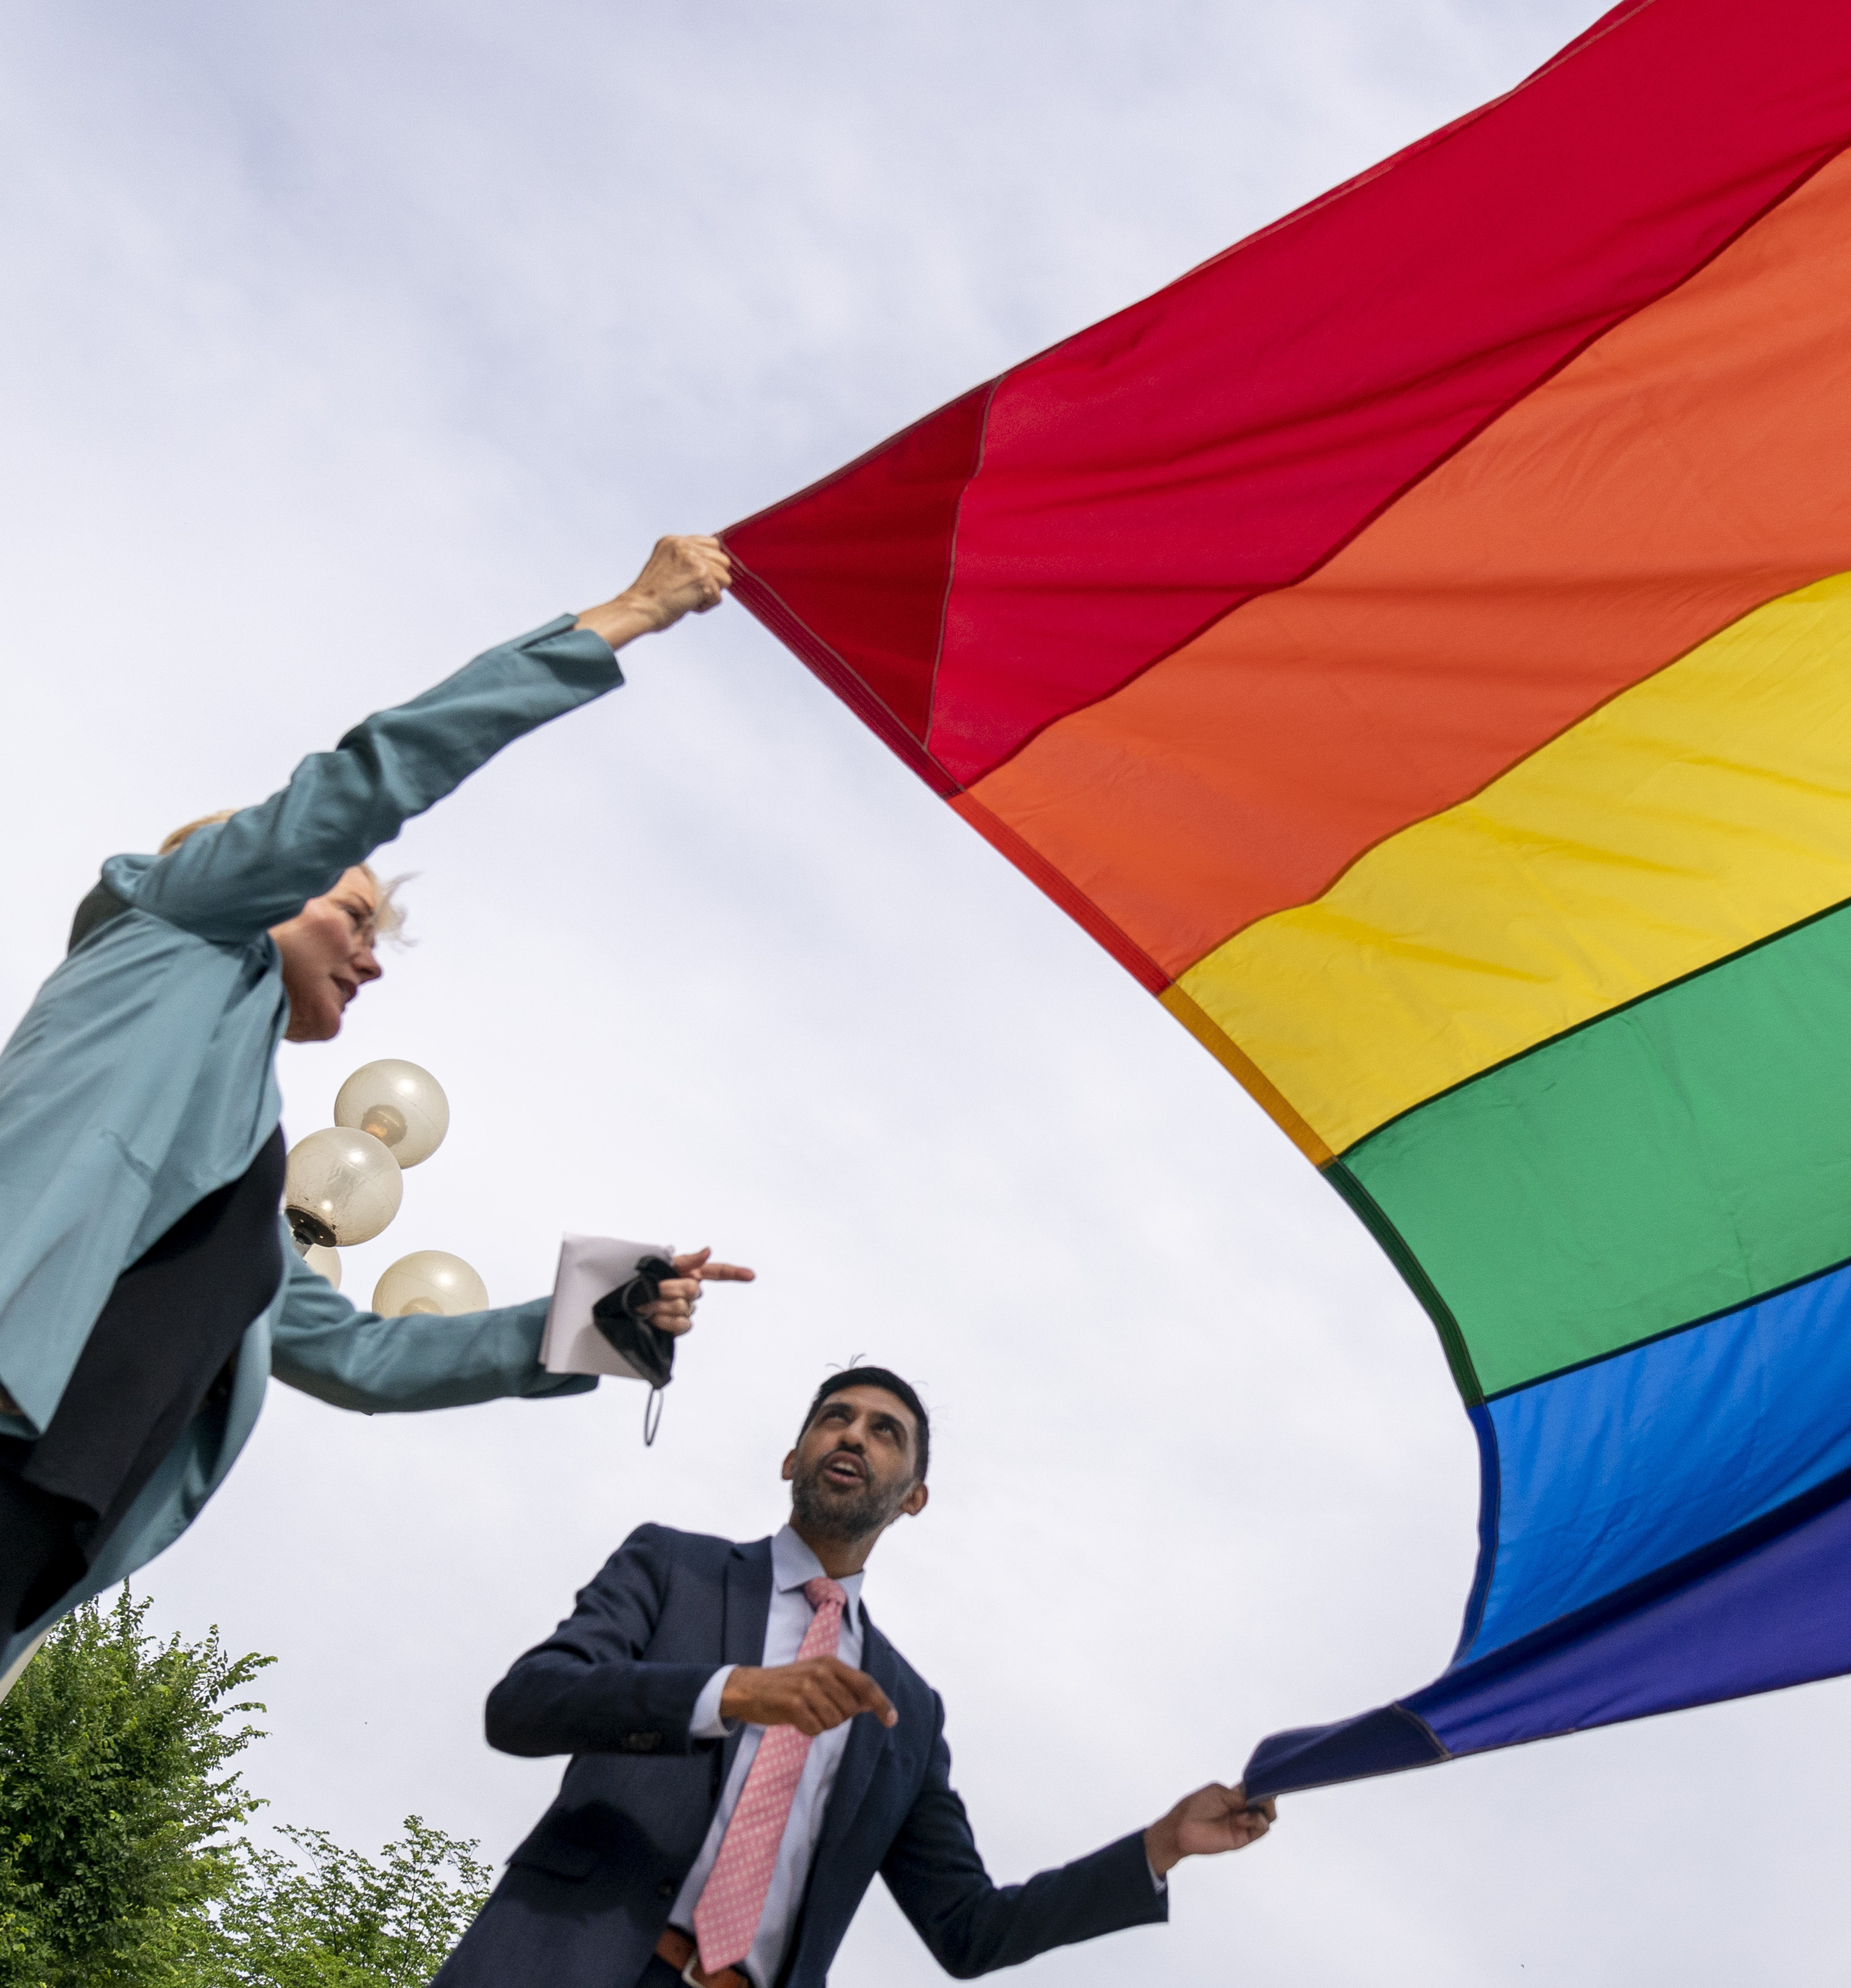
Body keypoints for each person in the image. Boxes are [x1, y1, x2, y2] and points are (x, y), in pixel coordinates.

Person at [0, 536, 755, 1675]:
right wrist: (629, 612)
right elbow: (373, 774)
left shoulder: (244, 1168)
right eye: (354, 911)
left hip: (44, 1521)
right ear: (248, 875)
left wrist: (607, 1309)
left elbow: (360, 1357)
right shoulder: (178, 920)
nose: (372, 954)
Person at [438, 1367, 1276, 1987]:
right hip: (560, 1963)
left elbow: (969, 1929)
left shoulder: (906, 1709)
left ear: (913, 1496)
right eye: (835, 1418)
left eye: (885, 1432)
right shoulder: (672, 1565)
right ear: (792, 1454)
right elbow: (525, 1703)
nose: (853, 1435)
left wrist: (1161, 1844)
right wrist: (728, 1690)